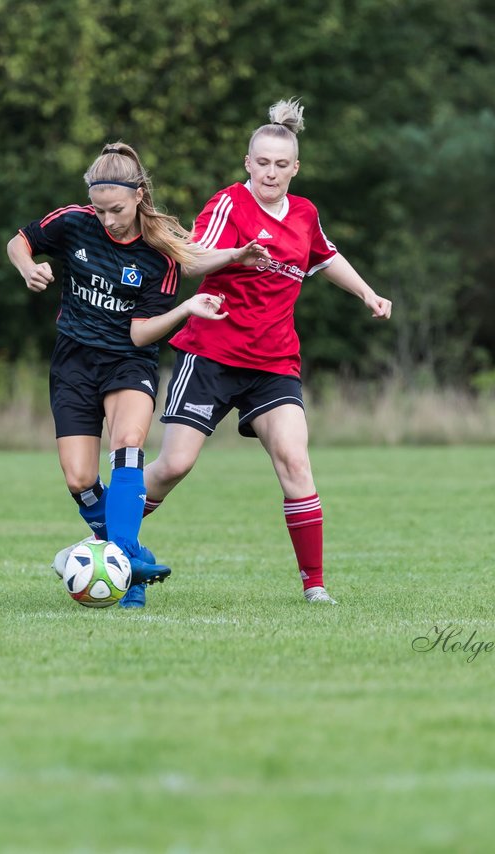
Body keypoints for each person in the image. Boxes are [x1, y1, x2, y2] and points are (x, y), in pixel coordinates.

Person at [143, 98, 392, 605]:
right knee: (173, 467)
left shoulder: (304, 213)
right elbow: (190, 261)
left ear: (295, 168)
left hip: (273, 362)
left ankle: (315, 587)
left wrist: (367, 292)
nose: (271, 172)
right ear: (248, 164)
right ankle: (105, 531)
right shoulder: (229, 204)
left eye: (282, 165)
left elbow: (326, 256)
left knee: (295, 462)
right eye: (263, 163)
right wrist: (236, 254)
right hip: (210, 354)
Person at [8, 142, 257, 608]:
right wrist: (27, 267)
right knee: (80, 480)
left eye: (116, 210)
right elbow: (19, 241)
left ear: (139, 195)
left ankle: (127, 573)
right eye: (99, 209)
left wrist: (187, 306)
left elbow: (142, 334)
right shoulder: (73, 222)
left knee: (127, 444)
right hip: (74, 361)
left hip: (128, 360)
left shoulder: (157, 255)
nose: (107, 219)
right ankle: (133, 554)